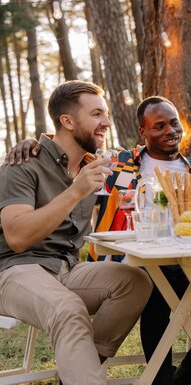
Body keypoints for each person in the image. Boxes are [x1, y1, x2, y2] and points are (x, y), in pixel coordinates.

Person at [6, 96, 191, 385]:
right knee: (147, 280)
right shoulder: (117, 165)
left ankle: (186, 371)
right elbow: (62, 154)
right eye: (159, 126)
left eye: (174, 124)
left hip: (185, 261)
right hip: (133, 259)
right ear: (143, 133)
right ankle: (156, 378)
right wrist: (32, 142)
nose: (170, 131)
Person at [0, 80, 153, 385]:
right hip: (15, 270)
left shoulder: (95, 164)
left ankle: (79, 370)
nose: (106, 122)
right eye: (97, 114)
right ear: (67, 121)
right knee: (68, 308)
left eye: (105, 114)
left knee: (135, 281)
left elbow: (150, 158)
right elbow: (17, 238)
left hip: (68, 268)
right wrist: (75, 191)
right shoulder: (22, 164)